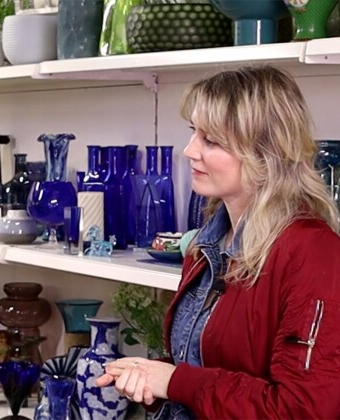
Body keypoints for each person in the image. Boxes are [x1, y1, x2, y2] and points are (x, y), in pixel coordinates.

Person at [97, 65, 340, 418]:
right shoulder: (207, 243)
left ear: (265, 153)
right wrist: (153, 378)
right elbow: (205, 364)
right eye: (194, 132)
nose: (189, 151)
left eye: (211, 141)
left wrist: (175, 381)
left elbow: (302, 410)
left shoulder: (315, 254)